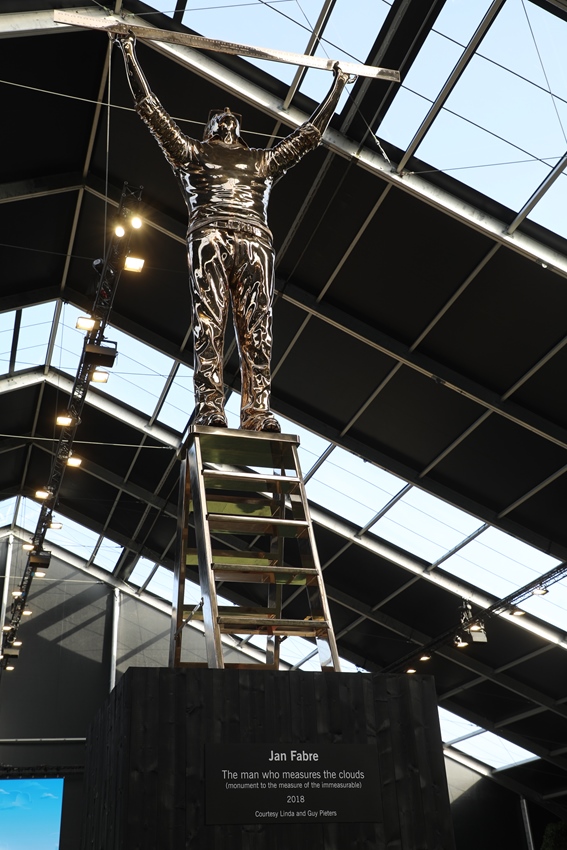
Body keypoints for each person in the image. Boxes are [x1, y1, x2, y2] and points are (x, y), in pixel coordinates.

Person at [116, 34, 355, 431]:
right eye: (219, 116)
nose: (227, 116)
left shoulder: (260, 161)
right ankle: (211, 406)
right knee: (209, 322)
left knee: (258, 329)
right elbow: (151, 111)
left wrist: (338, 88)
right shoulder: (192, 153)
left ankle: (257, 411)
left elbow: (308, 137)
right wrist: (128, 53)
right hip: (210, 234)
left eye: (232, 116)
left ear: (240, 128)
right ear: (209, 127)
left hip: (254, 238)